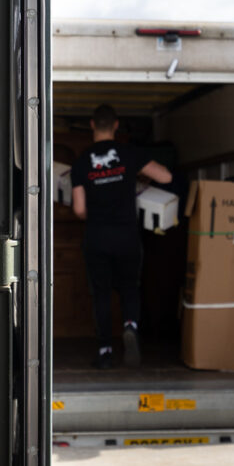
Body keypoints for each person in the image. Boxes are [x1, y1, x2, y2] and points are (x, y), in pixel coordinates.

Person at [71, 104, 172, 369]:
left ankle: (105, 351)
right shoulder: (128, 153)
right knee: (129, 287)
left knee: (101, 294)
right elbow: (165, 175)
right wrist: (136, 177)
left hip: (97, 237)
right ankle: (130, 325)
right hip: (127, 235)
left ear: (93, 125)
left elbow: (79, 209)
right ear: (116, 125)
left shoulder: (82, 161)